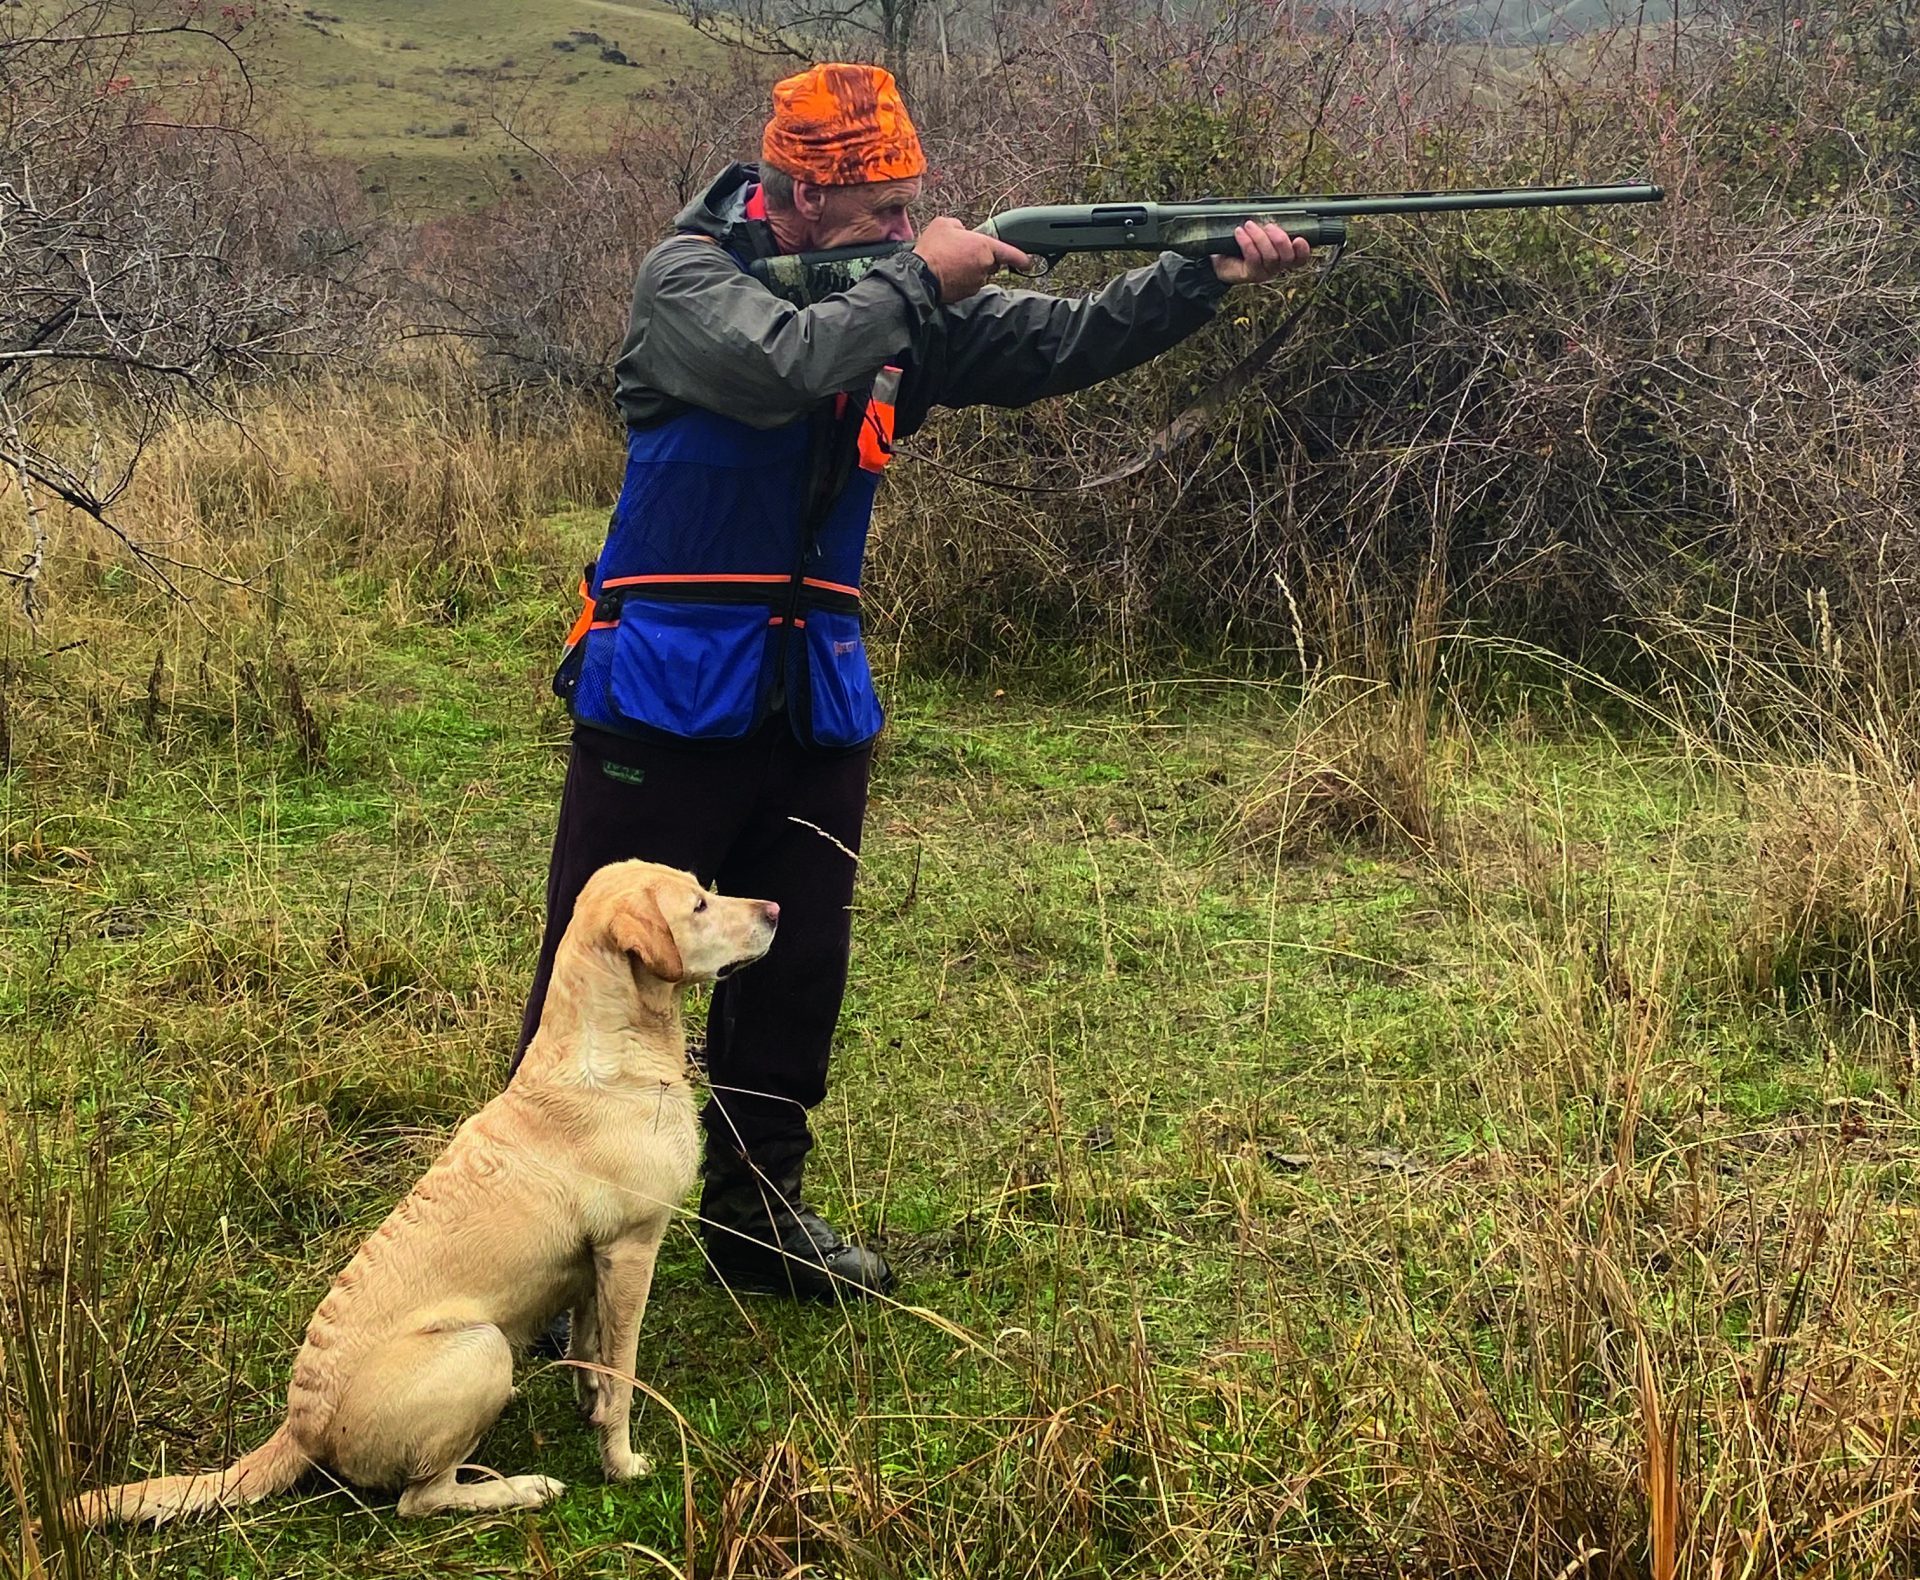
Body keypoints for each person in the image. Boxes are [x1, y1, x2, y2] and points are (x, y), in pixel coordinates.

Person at [513, 62, 1311, 1303]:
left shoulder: (889, 303)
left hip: (814, 697)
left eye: (907, 209)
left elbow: (1062, 341)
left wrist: (1198, 279)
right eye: (879, 209)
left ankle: (759, 1216)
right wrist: (918, 275)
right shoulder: (687, 281)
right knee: (602, 973)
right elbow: (781, 362)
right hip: (666, 692)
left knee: (798, 968)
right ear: (793, 195)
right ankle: (545, 1242)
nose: (903, 226)